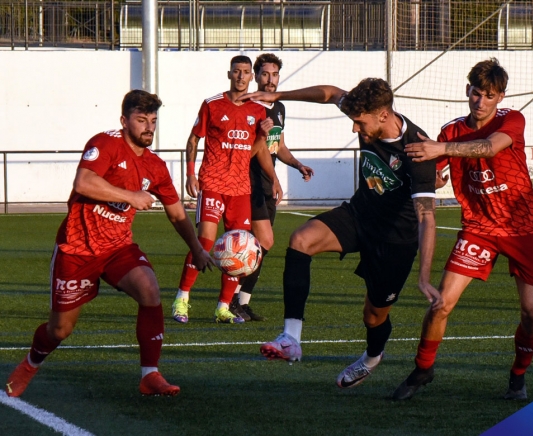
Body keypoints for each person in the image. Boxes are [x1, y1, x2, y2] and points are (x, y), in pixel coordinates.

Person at [4, 90, 213, 398]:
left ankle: (150, 374)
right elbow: (84, 183)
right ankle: (30, 364)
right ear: (124, 120)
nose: (149, 128)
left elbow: (176, 212)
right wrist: (131, 196)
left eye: (153, 121)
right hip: (78, 249)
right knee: (60, 330)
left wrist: (196, 248)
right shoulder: (105, 143)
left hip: (117, 248)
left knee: (150, 289)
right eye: (141, 120)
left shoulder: (155, 165)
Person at [240, 78, 440, 390]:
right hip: (360, 213)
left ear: (383, 115)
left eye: (360, 123)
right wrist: (278, 94)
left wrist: (425, 276)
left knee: (373, 316)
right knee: (300, 240)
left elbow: (427, 217)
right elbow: (331, 93)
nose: (354, 129)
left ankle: (372, 358)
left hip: (394, 240)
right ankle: (290, 338)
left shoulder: (417, 150)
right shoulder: (364, 111)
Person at [395, 58, 533, 401]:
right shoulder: (451, 130)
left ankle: (518, 375)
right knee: (440, 304)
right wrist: (433, 173)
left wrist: (442, 150)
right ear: (468, 91)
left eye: (489, 95)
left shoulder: (512, 119)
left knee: (532, 313)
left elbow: (490, 146)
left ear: (500, 96)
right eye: (476, 93)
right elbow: (435, 170)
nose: (480, 101)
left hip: (523, 226)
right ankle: (423, 369)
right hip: (478, 228)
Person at [171, 55, 282, 324]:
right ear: (229, 74)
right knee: (206, 242)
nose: (241, 76)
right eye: (237, 71)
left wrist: (264, 142)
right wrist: (189, 174)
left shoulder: (258, 110)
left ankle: (223, 307)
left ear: (250, 77)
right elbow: (193, 139)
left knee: (238, 248)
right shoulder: (212, 104)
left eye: (245, 72)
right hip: (212, 182)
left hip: (241, 188)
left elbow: (256, 151)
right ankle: (182, 299)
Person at [228, 53, 314, 322]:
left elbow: (277, 145)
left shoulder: (279, 107)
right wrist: (274, 178)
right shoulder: (249, 105)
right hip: (248, 183)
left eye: (274, 74)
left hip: (266, 185)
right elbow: (249, 151)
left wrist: (297, 165)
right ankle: (230, 298)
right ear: (256, 76)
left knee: (259, 245)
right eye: (265, 74)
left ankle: (240, 301)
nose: (270, 79)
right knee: (257, 242)